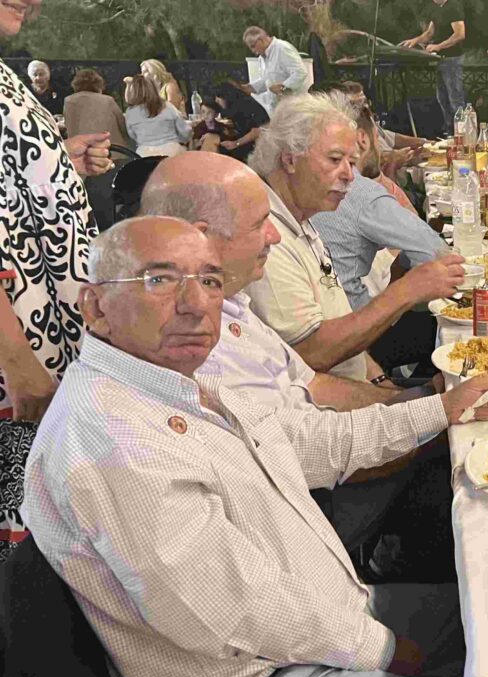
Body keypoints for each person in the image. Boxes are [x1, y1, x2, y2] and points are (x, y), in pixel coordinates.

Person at [21, 215, 488, 677]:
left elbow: (312, 440)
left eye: (210, 281)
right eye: (160, 279)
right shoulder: (113, 440)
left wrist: (440, 409)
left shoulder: (172, 382)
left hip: (326, 616)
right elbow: (233, 610)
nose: (196, 304)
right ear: (95, 306)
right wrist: (389, 652)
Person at [141, 152, 464, 578]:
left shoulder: (230, 302)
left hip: (325, 461)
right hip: (308, 513)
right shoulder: (193, 348)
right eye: (259, 224)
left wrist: (418, 396)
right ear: (201, 238)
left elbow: (314, 385)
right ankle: (411, 598)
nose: (274, 236)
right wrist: (433, 412)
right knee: (458, 468)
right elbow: (314, 453)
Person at [245, 92, 463, 383]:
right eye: (336, 159)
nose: (349, 175)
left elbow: (341, 329)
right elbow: (311, 355)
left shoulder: (301, 218)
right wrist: (406, 291)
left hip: (360, 376)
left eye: (351, 163)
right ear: (290, 160)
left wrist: (381, 383)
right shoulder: (266, 236)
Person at [0, 0, 113, 561]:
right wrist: (15, 359)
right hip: (20, 338)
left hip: (47, 325)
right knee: (23, 519)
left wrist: (57, 162)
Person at [64, 68, 133, 226]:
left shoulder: (69, 101)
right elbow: (122, 125)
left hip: (83, 156)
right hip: (111, 153)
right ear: (98, 84)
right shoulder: (108, 100)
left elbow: (70, 127)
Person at [398, 0, 468, 135]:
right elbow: (430, 33)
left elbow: (460, 34)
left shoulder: (453, 6)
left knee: (455, 99)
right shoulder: (435, 8)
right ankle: (450, 131)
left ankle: (463, 134)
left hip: (452, 60)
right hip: (439, 60)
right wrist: (414, 41)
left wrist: (438, 46)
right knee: (442, 98)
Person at [241, 25, 312, 116]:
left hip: (295, 109)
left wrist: (284, 86)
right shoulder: (262, 58)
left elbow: (300, 72)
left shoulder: (282, 48)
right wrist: (252, 87)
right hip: (278, 110)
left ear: (260, 40)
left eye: (253, 46)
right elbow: (268, 80)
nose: (252, 51)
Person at [124, 75, 192, 157]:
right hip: (171, 152)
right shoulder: (167, 106)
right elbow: (185, 131)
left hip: (144, 155)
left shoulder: (130, 112)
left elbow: (132, 135)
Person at [210, 82, 269, 162]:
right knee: (211, 138)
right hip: (245, 140)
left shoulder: (247, 105)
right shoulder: (233, 108)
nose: (216, 100)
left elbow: (257, 131)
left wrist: (236, 143)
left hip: (257, 143)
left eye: (218, 97)